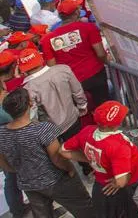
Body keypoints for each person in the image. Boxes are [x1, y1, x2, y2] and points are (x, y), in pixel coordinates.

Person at [0, 87, 93, 218]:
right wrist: (70, 168)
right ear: (30, 104)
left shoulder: (2, 133)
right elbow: (57, 158)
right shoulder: (42, 129)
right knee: (84, 209)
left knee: (43, 215)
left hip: (28, 185)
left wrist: (19, 171)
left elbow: (4, 164)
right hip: (56, 180)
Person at [61, 100, 138, 218]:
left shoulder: (87, 131)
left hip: (101, 183)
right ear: (114, 124)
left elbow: (63, 150)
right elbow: (121, 181)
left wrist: (90, 159)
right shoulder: (118, 146)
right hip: (124, 187)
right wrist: (118, 183)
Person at [42, 0, 110, 106]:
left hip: (70, 82)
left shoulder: (47, 39)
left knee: (81, 111)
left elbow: (52, 66)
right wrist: (106, 61)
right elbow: (101, 53)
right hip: (95, 74)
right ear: (77, 13)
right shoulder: (89, 28)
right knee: (103, 106)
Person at [17, 47, 87, 141]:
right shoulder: (63, 69)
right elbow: (77, 91)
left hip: (52, 130)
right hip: (73, 118)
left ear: (22, 69)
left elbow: (33, 116)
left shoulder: (27, 88)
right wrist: (82, 106)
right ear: (41, 59)